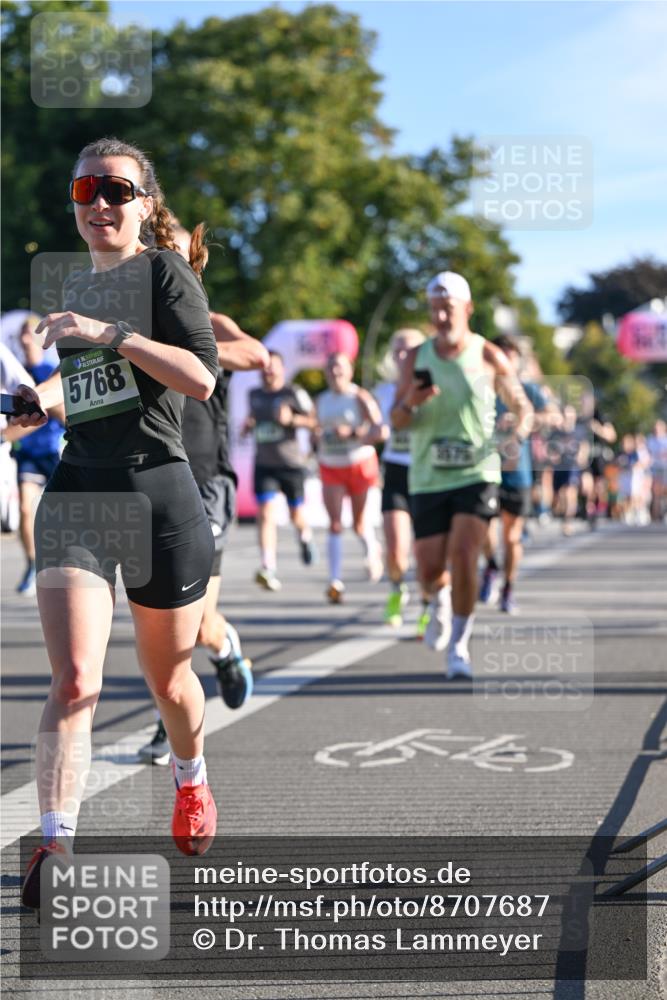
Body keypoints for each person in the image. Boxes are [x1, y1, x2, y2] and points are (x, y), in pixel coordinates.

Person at [14, 138, 223, 911]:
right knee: (75, 680)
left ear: (144, 203)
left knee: (168, 679)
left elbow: (200, 379)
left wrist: (110, 333)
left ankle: (190, 774)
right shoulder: (73, 286)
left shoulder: (163, 273)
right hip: (79, 492)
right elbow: (88, 392)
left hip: (157, 493)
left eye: (117, 189)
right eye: (85, 188)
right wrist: (35, 404)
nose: (99, 202)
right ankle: (53, 844)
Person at [139, 223, 270, 765]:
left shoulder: (205, 317)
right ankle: (226, 647)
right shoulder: (134, 321)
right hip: (151, 479)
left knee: (185, 620)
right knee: (163, 622)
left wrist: (190, 346)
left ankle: (166, 728)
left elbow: (258, 354)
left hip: (206, 481)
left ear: (187, 255)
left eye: (163, 244)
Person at [391, 271, 533, 679]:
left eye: (448, 308)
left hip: (477, 470)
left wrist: (515, 434)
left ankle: (459, 644)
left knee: (465, 553)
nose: (440, 315)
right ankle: (437, 601)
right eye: (434, 308)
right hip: (428, 474)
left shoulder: (489, 355)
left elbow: (522, 407)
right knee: (430, 567)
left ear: (467, 309)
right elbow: (396, 420)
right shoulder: (417, 358)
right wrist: (413, 401)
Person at [478, 335, 549, 615]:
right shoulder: (482, 389)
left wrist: (524, 420)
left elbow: (554, 416)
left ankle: (508, 588)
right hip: (484, 469)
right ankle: (491, 567)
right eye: (501, 354)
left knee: (512, 537)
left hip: (517, 472)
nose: (506, 360)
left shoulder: (527, 390)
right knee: (485, 529)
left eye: (511, 355)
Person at [373, 328, 434, 631]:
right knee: (396, 549)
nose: (401, 356)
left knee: (425, 555)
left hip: (426, 473)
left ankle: (426, 606)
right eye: (397, 349)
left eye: (408, 349)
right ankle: (397, 589)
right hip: (396, 471)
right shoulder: (383, 392)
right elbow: (372, 427)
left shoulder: (432, 390)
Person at [243, 350, 317, 592]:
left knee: (296, 514)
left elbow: (314, 421)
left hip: (291, 465)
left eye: (273, 367)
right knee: (265, 513)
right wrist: (248, 426)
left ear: (282, 369)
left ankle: (305, 537)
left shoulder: (293, 393)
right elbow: (253, 418)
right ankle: (268, 565)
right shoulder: (254, 394)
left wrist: (292, 420)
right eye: (264, 367)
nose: (268, 371)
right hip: (264, 464)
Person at [315, 352, 386, 603]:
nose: (335, 373)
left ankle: (372, 549)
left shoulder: (360, 397)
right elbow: (316, 427)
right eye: (331, 368)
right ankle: (335, 581)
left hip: (358, 463)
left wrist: (354, 433)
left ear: (350, 371)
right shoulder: (322, 400)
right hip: (330, 464)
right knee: (334, 523)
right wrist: (319, 436)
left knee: (358, 522)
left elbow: (380, 430)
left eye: (340, 368)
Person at [10, 316, 65, 596]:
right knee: (24, 510)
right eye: (20, 334)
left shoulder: (50, 371)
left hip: (54, 452)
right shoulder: (16, 374)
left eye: (28, 334)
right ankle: (33, 565)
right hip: (29, 454)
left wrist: (45, 401)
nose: (23, 339)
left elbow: (66, 416)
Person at [646, 419, 667, 522]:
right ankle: (656, 516)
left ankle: (663, 512)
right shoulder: (650, 440)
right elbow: (648, 453)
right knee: (655, 492)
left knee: (664, 491)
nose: (656, 430)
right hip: (654, 469)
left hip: (665, 468)